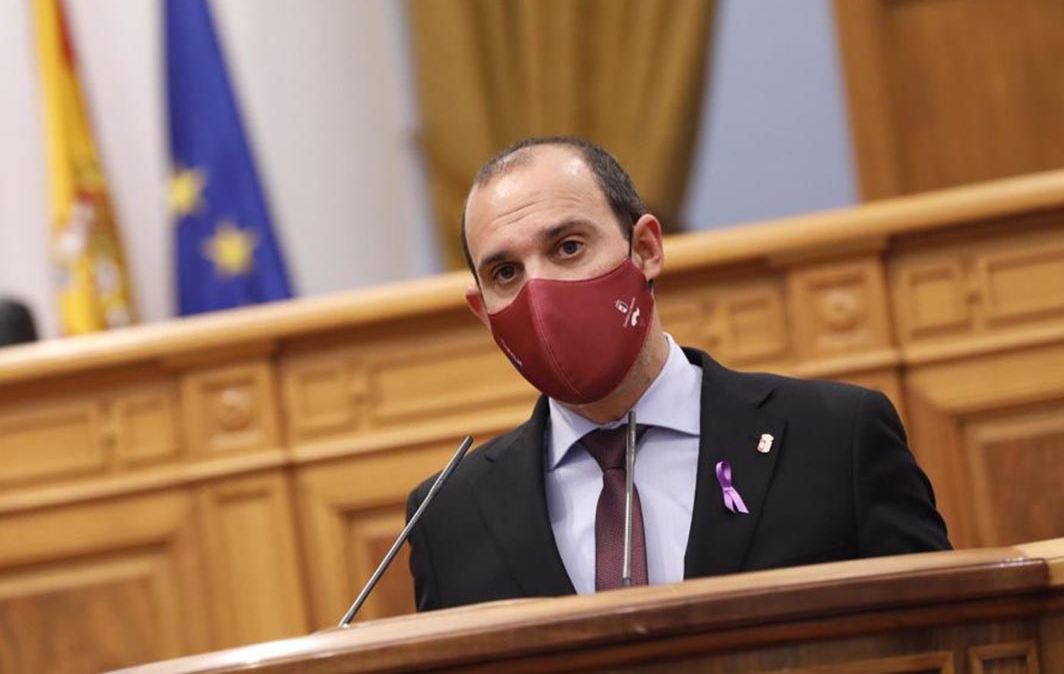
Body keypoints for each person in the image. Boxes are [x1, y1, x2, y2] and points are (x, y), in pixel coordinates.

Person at [405, 136, 950, 612]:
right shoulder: (447, 517)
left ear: (645, 249)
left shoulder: (835, 437)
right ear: (483, 311)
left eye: (568, 248)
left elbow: (942, 637)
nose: (539, 295)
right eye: (506, 272)